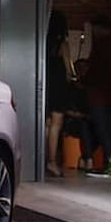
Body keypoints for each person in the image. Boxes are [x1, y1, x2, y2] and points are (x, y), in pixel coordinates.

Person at [78, 14, 111, 175]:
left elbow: (96, 71)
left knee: (104, 131)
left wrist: (84, 81)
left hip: (99, 95)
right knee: (109, 130)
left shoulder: (102, 47)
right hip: (108, 94)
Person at [44, 10, 73, 177]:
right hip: (58, 86)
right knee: (56, 123)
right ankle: (52, 162)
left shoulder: (43, 43)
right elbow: (69, 70)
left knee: (46, 124)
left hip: (45, 85)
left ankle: (43, 159)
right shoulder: (62, 44)